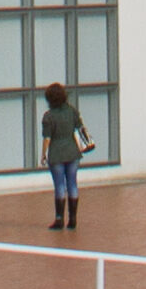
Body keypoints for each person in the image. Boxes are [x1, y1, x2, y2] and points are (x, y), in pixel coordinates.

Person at [37, 80, 97, 229]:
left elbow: (47, 138)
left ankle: (59, 219)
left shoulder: (48, 116)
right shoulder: (72, 111)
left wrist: (43, 154)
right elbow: (80, 127)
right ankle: (73, 218)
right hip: (73, 152)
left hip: (56, 154)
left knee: (59, 186)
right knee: (72, 184)